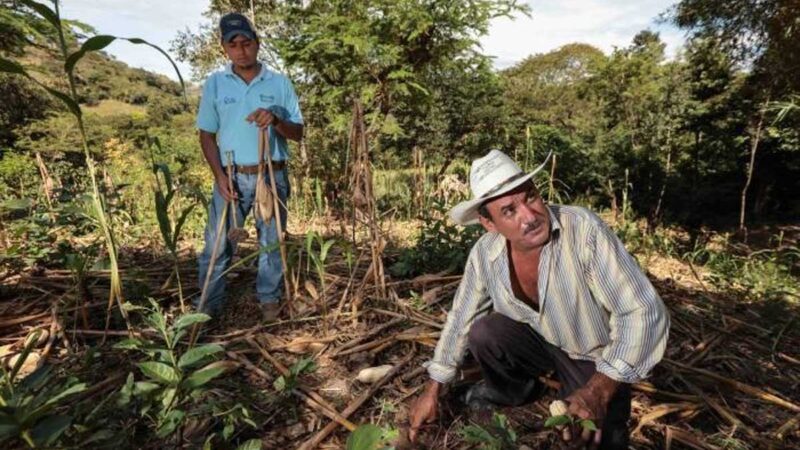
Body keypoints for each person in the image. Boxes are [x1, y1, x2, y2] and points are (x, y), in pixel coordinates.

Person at [408, 150, 669, 449]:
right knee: (485, 333)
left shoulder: (582, 230)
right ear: (489, 224)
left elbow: (642, 311)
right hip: (538, 341)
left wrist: (599, 389)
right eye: (509, 211)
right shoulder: (485, 253)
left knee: (595, 437)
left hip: (588, 354)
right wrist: (433, 388)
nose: (530, 217)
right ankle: (512, 392)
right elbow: (461, 317)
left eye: (530, 197)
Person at [195, 12, 303, 321]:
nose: (241, 50)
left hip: (272, 175)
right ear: (224, 48)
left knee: (272, 242)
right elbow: (206, 134)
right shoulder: (215, 84)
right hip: (231, 175)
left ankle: (269, 300)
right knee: (217, 245)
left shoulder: (279, 83)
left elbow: (298, 134)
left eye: (247, 42)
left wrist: (276, 120)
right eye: (234, 44)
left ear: (257, 43)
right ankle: (207, 308)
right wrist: (218, 176)